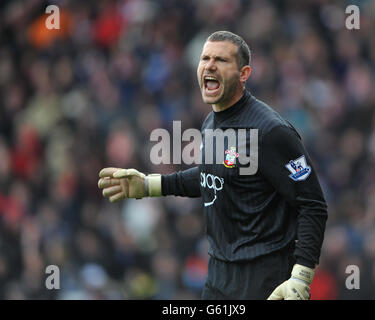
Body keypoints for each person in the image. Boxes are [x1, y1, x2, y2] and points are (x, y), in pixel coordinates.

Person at [98, 31, 328, 300]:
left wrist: (301, 275)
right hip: (219, 276)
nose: (209, 65)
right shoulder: (211, 122)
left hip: (264, 281)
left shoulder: (270, 131)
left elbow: (312, 204)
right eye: (205, 58)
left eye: (221, 60)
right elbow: (216, 176)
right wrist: (150, 185)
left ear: (244, 74)